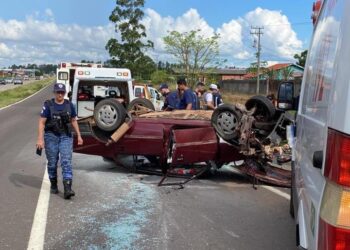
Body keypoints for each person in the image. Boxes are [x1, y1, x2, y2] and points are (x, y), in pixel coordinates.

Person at [36, 83, 83, 199]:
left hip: (66, 136)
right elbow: (42, 122)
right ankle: (53, 184)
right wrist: (40, 139)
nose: (60, 94)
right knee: (52, 163)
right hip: (51, 136)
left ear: (65, 93)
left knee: (66, 161)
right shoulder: (48, 105)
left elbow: (73, 120)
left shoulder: (69, 105)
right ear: (55, 92)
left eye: (62, 92)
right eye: (58, 92)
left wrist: (79, 135)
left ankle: (68, 189)